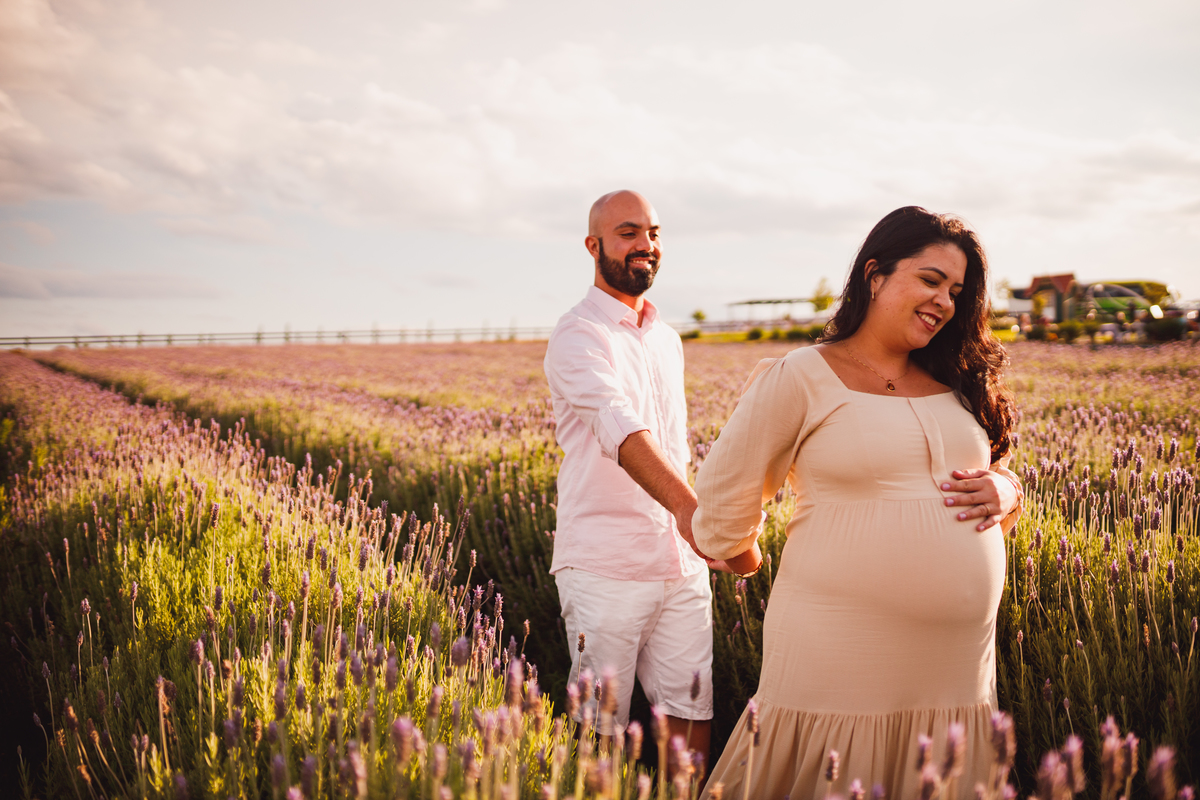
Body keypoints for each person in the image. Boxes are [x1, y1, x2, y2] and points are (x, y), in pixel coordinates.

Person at [693, 206, 1023, 799]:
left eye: (957, 290)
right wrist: (745, 558)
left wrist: (1009, 489)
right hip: (839, 653)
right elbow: (720, 507)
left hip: (956, 672)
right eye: (929, 280)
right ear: (874, 275)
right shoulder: (802, 375)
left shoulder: (959, 383)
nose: (945, 301)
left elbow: (988, 480)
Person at [543, 190, 759, 759]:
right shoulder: (579, 334)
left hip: (680, 564)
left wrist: (711, 522)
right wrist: (694, 512)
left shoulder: (666, 337)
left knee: (690, 721)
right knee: (600, 731)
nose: (646, 245)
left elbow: (671, 443)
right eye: (629, 232)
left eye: (655, 233)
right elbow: (620, 429)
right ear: (593, 246)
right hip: (606, 565)